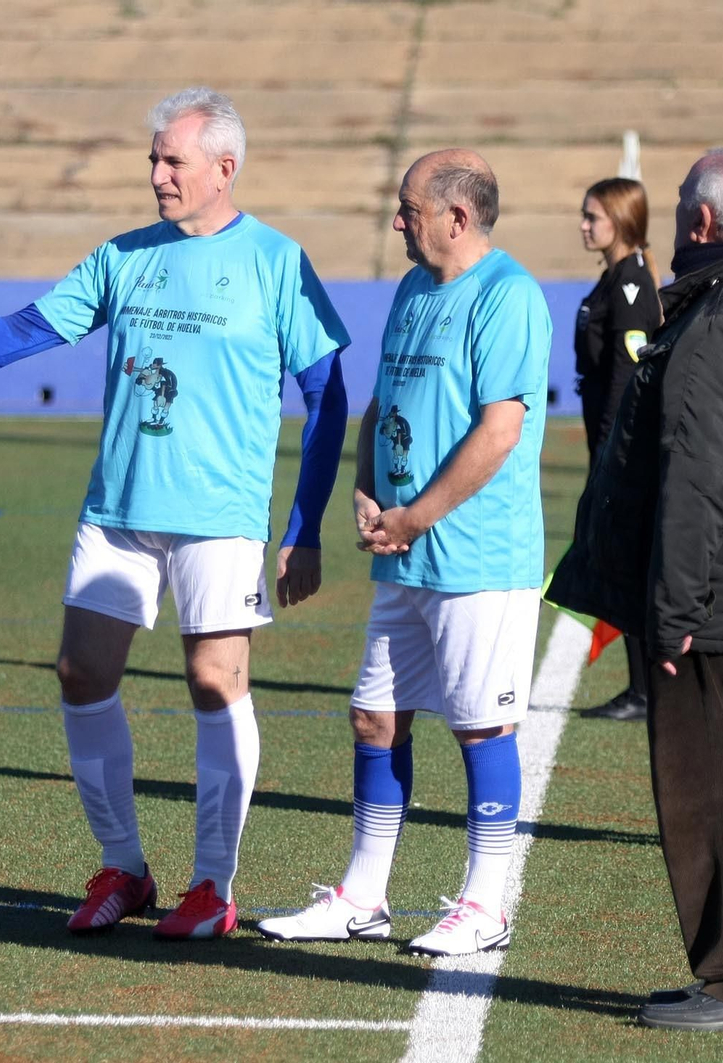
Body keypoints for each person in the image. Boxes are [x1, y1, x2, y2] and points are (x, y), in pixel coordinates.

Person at [0, 88, 351, 941]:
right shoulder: (125, 255)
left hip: (221, 513)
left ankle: (213, 883)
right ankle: (125, 866)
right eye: (154, 161)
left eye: (174, 161)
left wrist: (304, 523)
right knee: (80, 672)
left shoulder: (278, 262)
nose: (159, 176)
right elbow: (31, 327)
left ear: (224, 168)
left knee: (215, 681)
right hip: (120, 508)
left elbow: (327, 396)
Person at [549, 149, 723, 1030]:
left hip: (718, 599)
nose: (671, 217)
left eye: (678, 205)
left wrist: (670, 612)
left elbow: (698, 483)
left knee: (718, 792)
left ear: (705, 223)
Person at [257, 149, 552, 957]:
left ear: (458, 217)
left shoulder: (509, 296)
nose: (396, 221)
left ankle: (485, 902)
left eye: (409, 207)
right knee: (376, 717)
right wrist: (363, 485)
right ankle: (363, 896)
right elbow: (383, 402)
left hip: (478, 559)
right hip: (406, 554)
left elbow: (501, 429)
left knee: (481, 727)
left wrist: (416, 513)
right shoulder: (414, 289)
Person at [560, 177, 662, 721]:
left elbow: (627, 377)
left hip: (620, 453)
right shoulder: (616, 279)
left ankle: (646, 691)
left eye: (592, 217)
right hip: (609, 448)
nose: (583, 224)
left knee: (628, 568)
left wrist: (610, 457)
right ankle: (642, 687)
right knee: (622, 566)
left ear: (620, 222)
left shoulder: (631, 284)